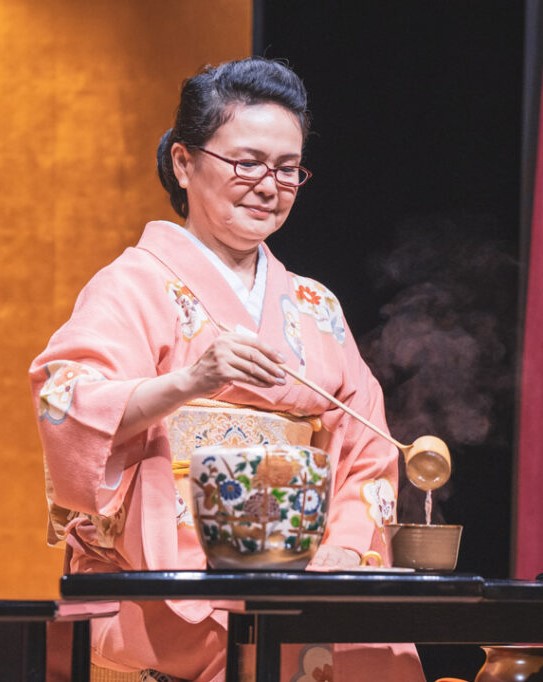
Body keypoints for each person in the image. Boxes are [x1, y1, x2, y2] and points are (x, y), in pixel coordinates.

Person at [30, 57, 426, 682]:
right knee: (259, 653)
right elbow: (63, 401)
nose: (268, 185)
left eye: (288, 169)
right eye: (246, 162)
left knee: (382, 653)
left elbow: (369, 451)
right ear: (185, 164)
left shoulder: (315, 306)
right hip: (164, 577)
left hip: (300, 572)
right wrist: (189, 382)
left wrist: (343, 550)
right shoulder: (134, 286)